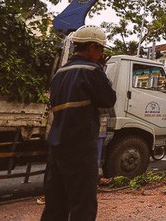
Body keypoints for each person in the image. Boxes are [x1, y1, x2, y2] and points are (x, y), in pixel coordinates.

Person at [42, 25, 116, 221]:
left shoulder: (59, 73)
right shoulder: (92, 70)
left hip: (57, 147)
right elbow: (108, 100)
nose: (101, 54)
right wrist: (101, 68)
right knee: (83, 205)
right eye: (101, 49)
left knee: (55, 204)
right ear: (92, 47)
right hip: (80, 147)